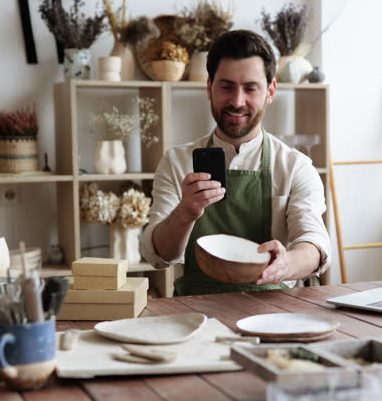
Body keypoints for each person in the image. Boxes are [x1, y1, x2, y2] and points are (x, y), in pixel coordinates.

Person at [140, 29, 331, 295]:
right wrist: (185, 213)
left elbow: (315, 243)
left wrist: (286, 264)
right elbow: (157, 255)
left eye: (250, 88)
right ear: (209, 88)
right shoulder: (176, 162)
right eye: (226, 87)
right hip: (196, 314)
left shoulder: (295, 166)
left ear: (270, 91)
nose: (237, 101)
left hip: (274, 312)